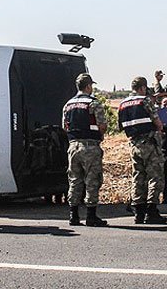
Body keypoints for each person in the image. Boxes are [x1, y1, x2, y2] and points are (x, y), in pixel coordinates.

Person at [118, 77, 167, 224]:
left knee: (138, 176)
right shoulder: (145, 101)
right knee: (155, 176)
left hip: (133, 143)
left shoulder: (122, 104)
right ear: (142, 88)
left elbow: (121, 126)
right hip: (149, 142)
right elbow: (158, 123)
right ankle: (151, 211)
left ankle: (138, 212)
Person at [62, 73, 108, 227]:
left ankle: (73, 215)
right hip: (90, 146)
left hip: (73, 146)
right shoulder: (93, 103)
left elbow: (64, 127)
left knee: (74, 180)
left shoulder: (68, 105)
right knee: (92, 180)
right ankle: (91, 215)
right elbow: (102, 126)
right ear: (88, 86)